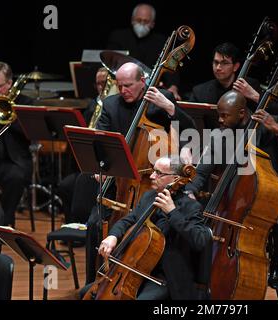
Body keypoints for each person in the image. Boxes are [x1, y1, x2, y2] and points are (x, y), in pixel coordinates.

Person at [84, 62, 196, 284]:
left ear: (142, 82)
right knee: (94, 224)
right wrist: (103, 168)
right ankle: (93, 284)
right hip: (122, 185)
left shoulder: (159, 99)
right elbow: (102, 144)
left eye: (128, 85)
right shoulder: (110, 105)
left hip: (153, 184)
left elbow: (188, 130)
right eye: (119, 85)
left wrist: (170, 107)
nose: (123, 90)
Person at [185, 90, 278, 289]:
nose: (220, 120)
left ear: (242, 113)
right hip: (236, 192)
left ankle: (276, 264)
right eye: (219, 115)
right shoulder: (220, 135)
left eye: (224, 115)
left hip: (274, 190)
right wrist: (190, 190)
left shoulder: (269, 124)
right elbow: (203, 170)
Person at [83, 156, 212, 300]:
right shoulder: (148, 197)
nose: (152, 176)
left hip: (166, 278)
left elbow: (201, 240)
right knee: (87, 293)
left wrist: (172, 212)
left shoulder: (190, 207)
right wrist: (113, 236)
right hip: (136, 269)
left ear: (175, 178)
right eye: (153, 171)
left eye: (158, 173)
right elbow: (128, 220)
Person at [0, 61, 33, 227]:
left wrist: (12, 116)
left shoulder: (25, 102)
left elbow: (31, 133)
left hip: (13, 161)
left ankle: (5, 224)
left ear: (9, 83)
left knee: (16, 178)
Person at [187, 42, 278, 128]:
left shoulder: (250, 85)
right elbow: (188, 121)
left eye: (224, 63)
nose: (218, 67)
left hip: (245, 141)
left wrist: (254, 95)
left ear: (236, 67)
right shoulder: (200, 91)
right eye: (216, 62)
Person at [57, 67, 109, 225]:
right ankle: (73, 227)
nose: (101, 88)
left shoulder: (114, 106)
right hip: (89, 164)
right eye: (98, 84)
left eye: (105, 83)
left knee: (82, 184)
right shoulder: (92, 106)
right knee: (65, 186)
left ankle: (86, 229)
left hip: (105, 167)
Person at [107, 3, 181, 100]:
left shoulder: (162, 41)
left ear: (152, 24)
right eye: (138, 20)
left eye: (146, 21)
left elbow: (170, 67)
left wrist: (173, 86)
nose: (141, 24)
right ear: (132, 20)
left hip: (150, 91)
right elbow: (110, 63)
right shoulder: (118, 36)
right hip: (121, 89)